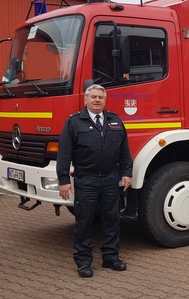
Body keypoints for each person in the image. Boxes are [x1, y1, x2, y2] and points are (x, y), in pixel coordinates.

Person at [56, 84, 133, 277]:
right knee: (84, 221)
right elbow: (64, 154)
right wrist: (63, 180)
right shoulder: (74, 122)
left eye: (100, 97)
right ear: (86, 99)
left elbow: (124, 151)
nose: (97, 100)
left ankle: (111, 258)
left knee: (112, 220)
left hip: (110, 179)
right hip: (86, 180)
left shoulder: (115, 120)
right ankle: (83, 262)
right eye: (93, 97)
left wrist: (126, 173)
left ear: (105, 100)